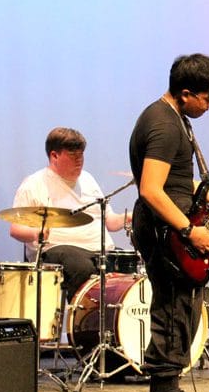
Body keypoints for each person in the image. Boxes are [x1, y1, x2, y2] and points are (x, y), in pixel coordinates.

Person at [129, 53, 209, 392]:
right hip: (167, 232)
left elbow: (176, 183)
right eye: (207, 98)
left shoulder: (174, 119)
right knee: (172, 310)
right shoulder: (164, 125)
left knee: (183, 309)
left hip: (173, 228)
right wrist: (189, 230)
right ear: (185, 93)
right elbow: (151, 189)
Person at [9, 127, 131, 306]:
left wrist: (128, 217)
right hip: (58, 250)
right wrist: (37, 233)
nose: (79, 161)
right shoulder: (34, 184)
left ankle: (118, 320)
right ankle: (85, 319)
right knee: (81, 266)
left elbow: (110, 222)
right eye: (73, 155)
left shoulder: (88, 179)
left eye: (81, 155)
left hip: (99, 251)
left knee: (128, 265)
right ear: (54, 155)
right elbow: (15, 229)